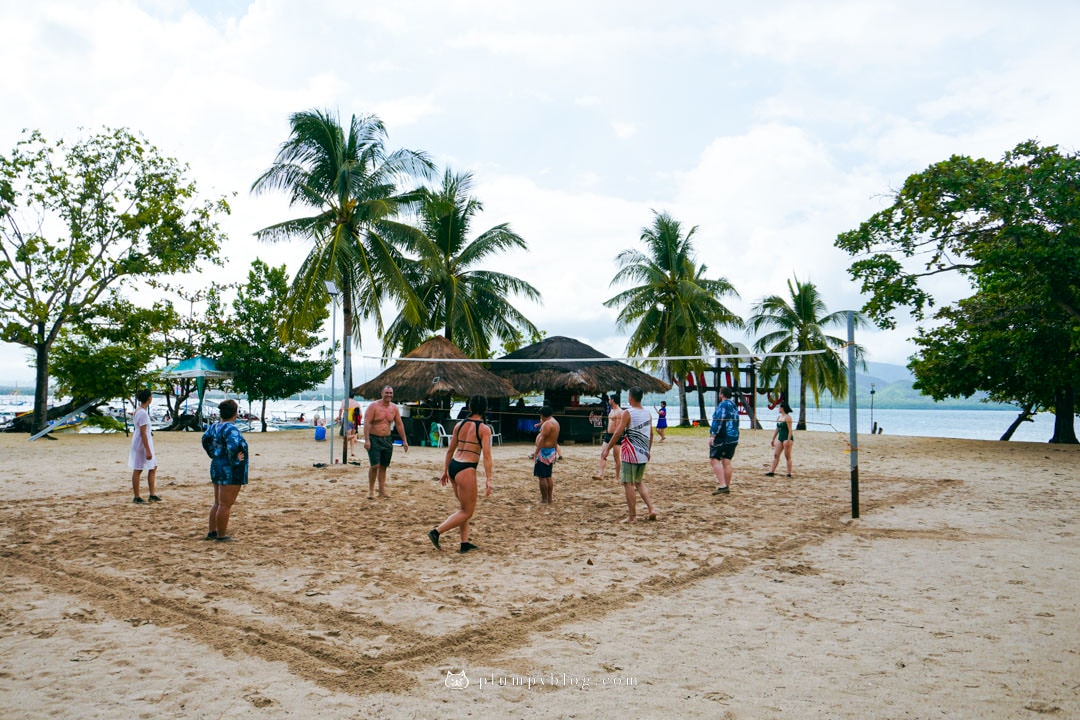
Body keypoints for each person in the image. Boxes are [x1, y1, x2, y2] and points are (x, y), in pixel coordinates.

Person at [428, 394, 493, 553]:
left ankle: (464, 543)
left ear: (470, 407)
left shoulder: (459, 425)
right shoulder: (484, 429)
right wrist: (489, 479)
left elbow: (450, 450)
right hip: (466, 468)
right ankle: (436, 532)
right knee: (467, 511)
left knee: (463, 508)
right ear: (485, 409)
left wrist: (445, 471)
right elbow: (487, 456)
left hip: (454, 466)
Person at [601, 387, 657, 522]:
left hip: (630, 452)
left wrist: (607, 448)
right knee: (639, 482)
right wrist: (648, 450)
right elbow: (650, 434)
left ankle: (632, 516)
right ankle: (651, 509)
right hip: (643, 452)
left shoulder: (628, 413)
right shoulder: (647, 413)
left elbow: (618, 432)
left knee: (628, 483)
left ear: (630, 397)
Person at [202, 399, 248, 542]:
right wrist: (235, 459)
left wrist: (213, 453)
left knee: (217, 502)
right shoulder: (231, 429)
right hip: (229, 469)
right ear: (235, 413)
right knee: (225, 504)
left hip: (217, 465)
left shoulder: (214, 427)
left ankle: (212, 531)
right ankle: (221, 535)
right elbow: (233, 446)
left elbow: (204, 439)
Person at [363, 386, 408, 499]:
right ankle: (371, 490)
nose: (388, 395)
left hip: (387, 439)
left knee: (383, 466)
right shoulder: (374, 406)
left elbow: (399, 424)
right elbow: (367, 422)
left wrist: (404, 440)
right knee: (375, 465)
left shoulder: (394, 408)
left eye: (390, 393)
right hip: (374, 438)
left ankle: (382, 491)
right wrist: (367, 440)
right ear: (382, 393)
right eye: (386, 393)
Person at [128, 389, 160, 503]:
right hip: (142, 443)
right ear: (148, 398)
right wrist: (147, 450)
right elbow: (142, 432)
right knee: (138, 469)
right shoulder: (142, 413)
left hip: (142, 441)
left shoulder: (139, 411)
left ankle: (152, 494)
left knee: (153, 466)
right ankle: (137, 496)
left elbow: (144, 430)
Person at [710, 387, 740, 495]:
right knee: (726, 461)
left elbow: (719, 420)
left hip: (723, 436)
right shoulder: (733, 405)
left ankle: (722, 485)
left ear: (721, 394)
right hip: (734, 436)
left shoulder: (723, 405)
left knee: (714, 459)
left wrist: (713, 435)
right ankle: (726, 485)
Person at [530, 406, 560, 503]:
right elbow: (555, 439)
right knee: (548, 475)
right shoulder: (554, 422)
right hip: (550, 450)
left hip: (543, 452)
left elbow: (542, 439)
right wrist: (555, 451)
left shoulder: (547, 424)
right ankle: (549, 498)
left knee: (542, 477)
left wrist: (536, 452)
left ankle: (544, 499)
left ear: (542, 415)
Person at [594, 394, 622, 480]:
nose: (609, 400)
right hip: (608, 435)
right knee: (603, 454)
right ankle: (600, 474)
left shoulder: (619, 412)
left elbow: (618, 428)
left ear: (612, 400)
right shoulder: (612, 410)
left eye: (610, 399)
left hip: (616, 436)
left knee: (616, 457)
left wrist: (615, 437)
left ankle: (617, 477)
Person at [766, 401, 795, 477]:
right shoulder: (779, 417)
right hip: (780, 438)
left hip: (787, 438)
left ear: (782, 408)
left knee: (787, 456)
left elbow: (790, 430)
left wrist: (788, 440)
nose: (778, 409)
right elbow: (777, 429)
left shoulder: (788, 417)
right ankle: (771, 471)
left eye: (779, 407)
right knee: (776, 455)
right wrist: (773, 439)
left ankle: (789, 473)